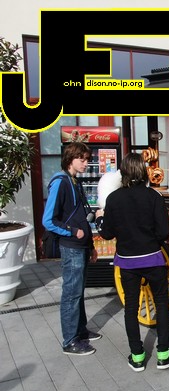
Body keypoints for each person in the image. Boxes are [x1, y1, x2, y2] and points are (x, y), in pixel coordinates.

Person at [95, 153, 169, 372]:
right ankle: (164, 353)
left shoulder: (114, 199)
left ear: (123, 172)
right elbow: (163, 232)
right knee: (162, 304)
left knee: (131, 308)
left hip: (127, 262)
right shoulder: (154, 197)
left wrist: (100, 218)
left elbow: (106, 233)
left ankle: (137, 356)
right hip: (153, 258)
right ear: (144, 171)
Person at [42, 141, 101, 356]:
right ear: (70, 159)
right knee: (71, 294)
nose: (86, 163)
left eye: (87, 159)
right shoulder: (60, 182)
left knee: (77, 292)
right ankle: (70, 341)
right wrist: (72, 232)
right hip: (72, 247)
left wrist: (91, 245)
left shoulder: (74, 181)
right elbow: (48, 220)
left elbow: (82, 216)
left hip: (81, 246)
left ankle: (80, 331)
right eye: (81, 159)